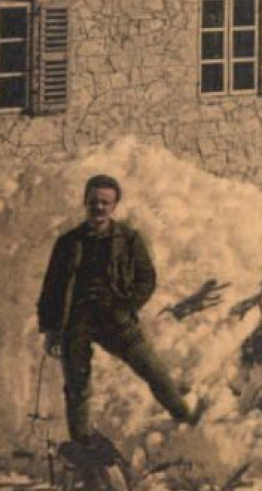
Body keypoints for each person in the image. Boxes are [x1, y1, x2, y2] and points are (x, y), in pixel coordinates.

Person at [37, 174, 199, 444]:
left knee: (152, 368)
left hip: (116, 319)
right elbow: (51, 288)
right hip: (77, 322)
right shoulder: (67, 243)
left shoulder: (129, 239)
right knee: (77, 387)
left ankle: (185, 418)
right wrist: (51, 330)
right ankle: (83, 446)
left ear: (114, 206)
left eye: (105, 202)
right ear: (84, 202)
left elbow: (147, 278)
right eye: (93, 202)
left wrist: (127, 306)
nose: (98, 207)